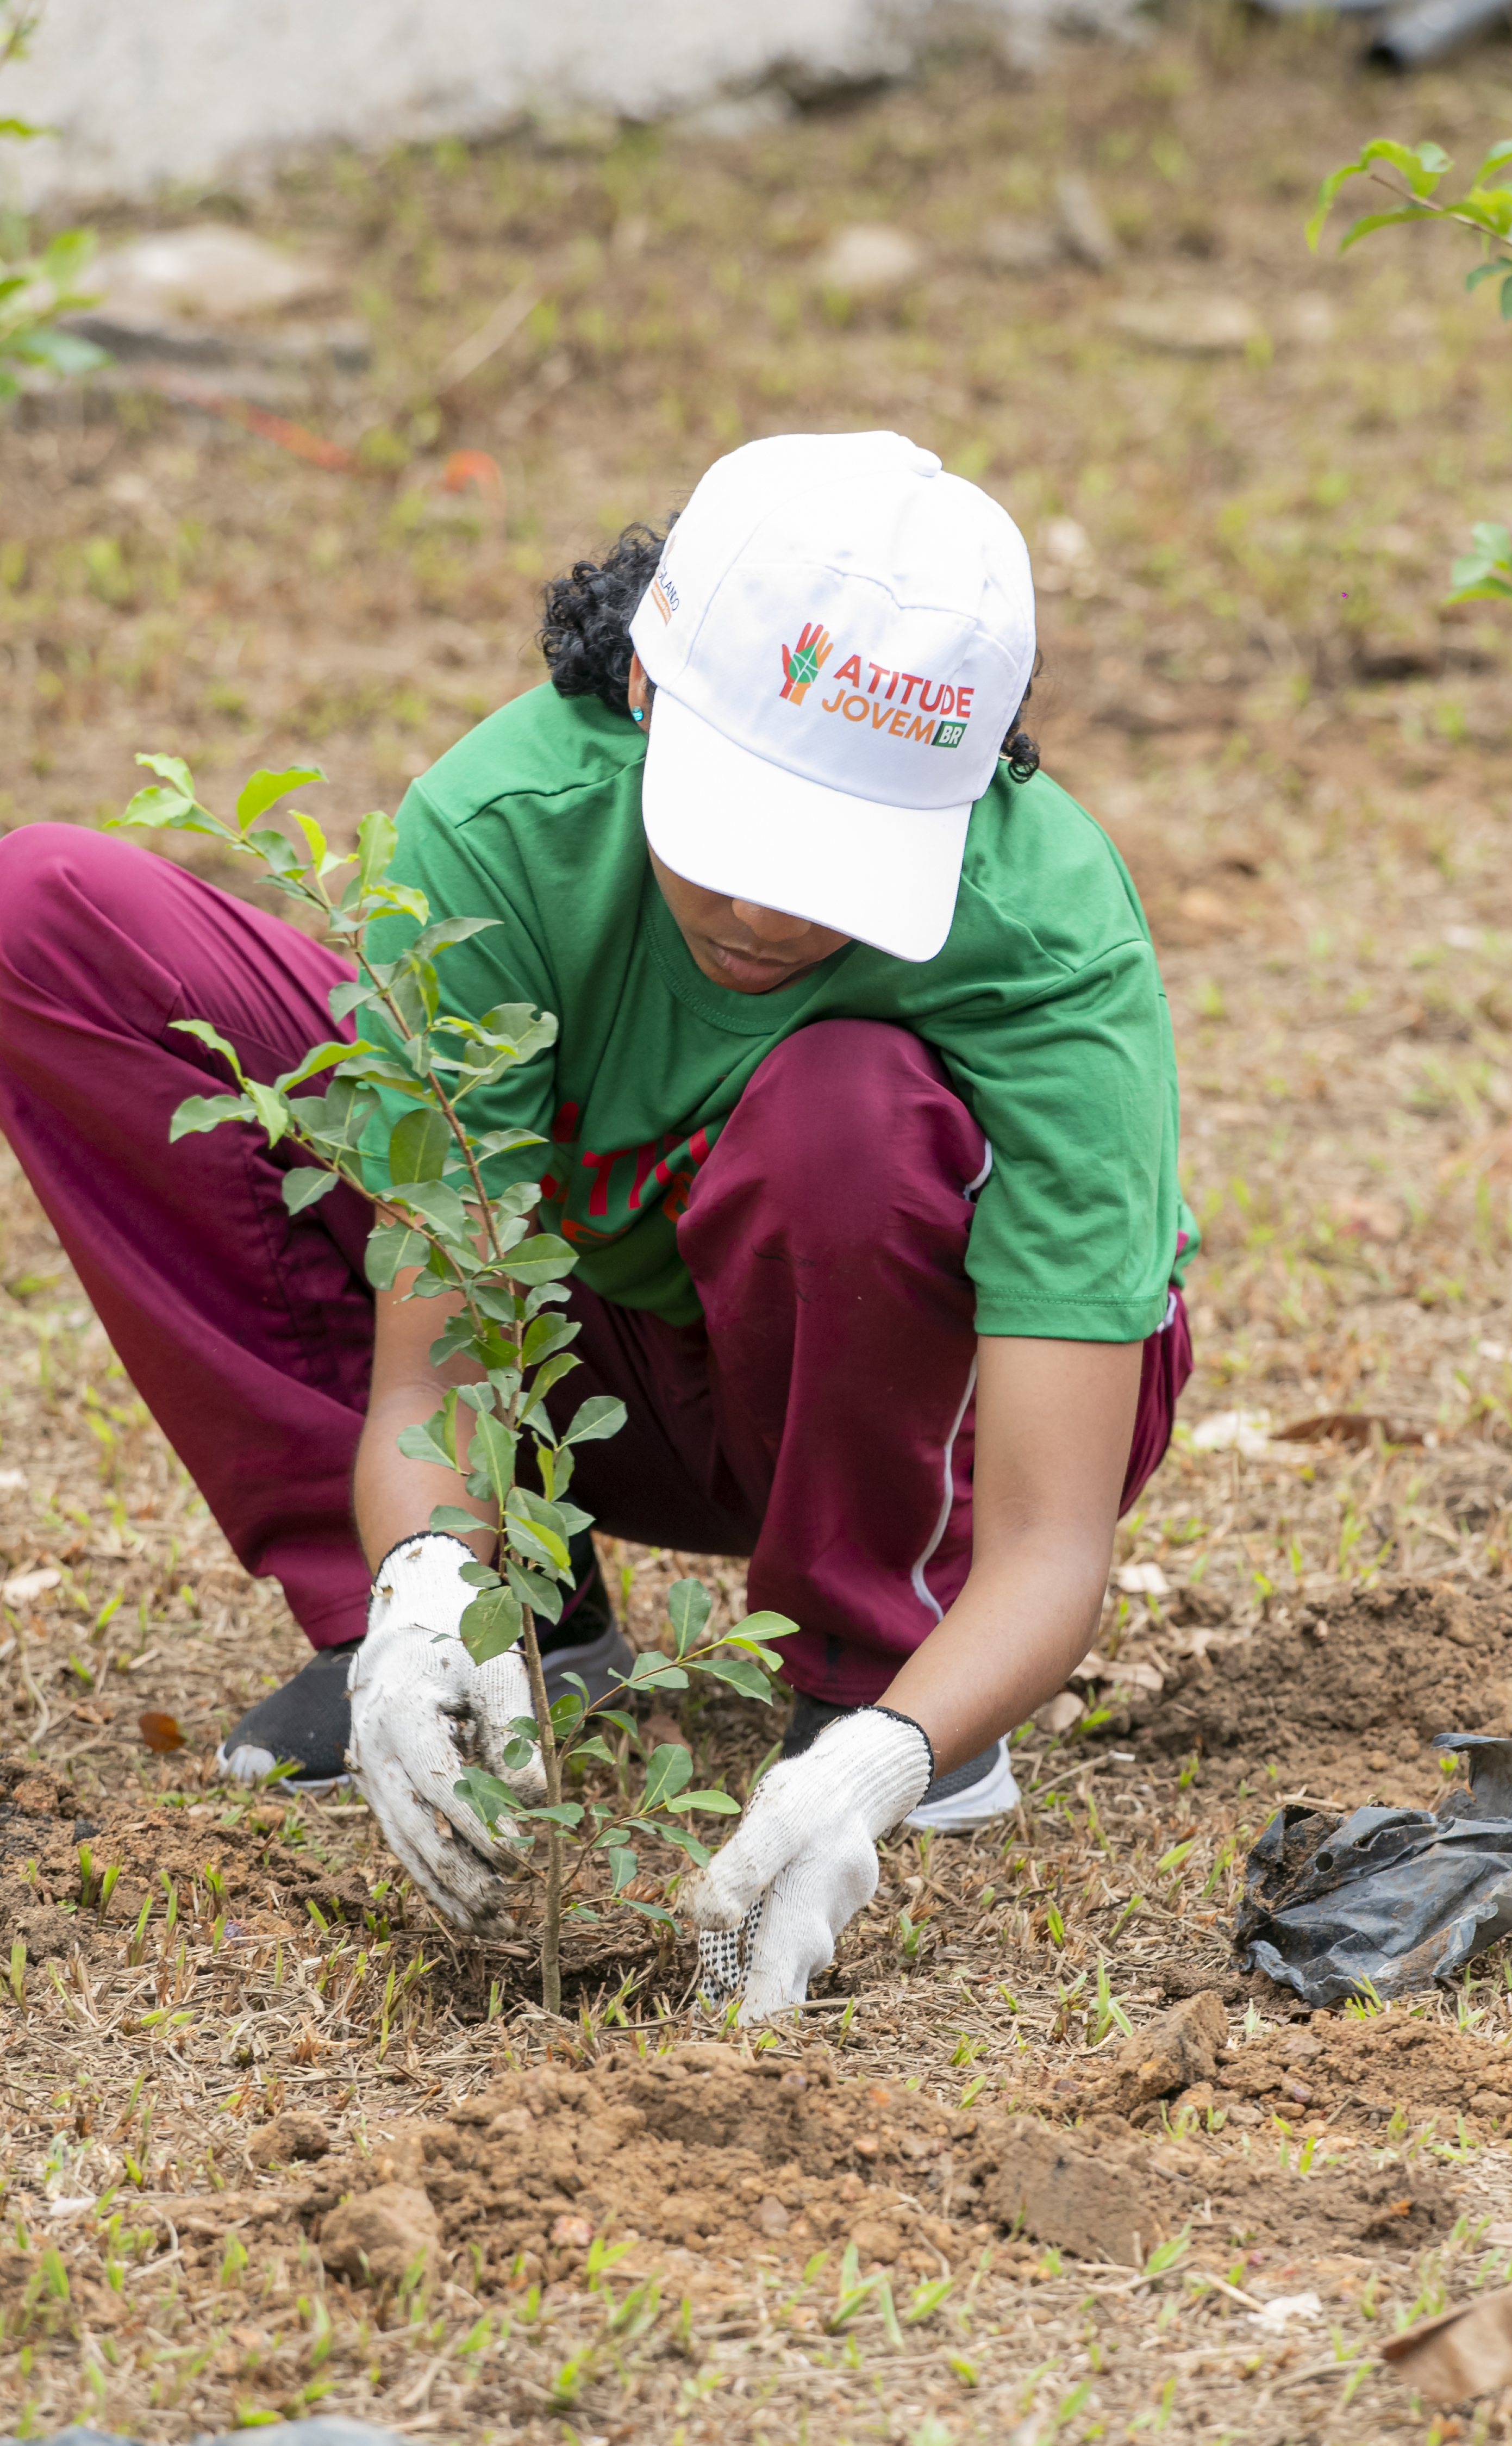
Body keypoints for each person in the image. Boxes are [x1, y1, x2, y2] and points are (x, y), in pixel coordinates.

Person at [0, 429, 1195, 2018]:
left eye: (840, 858)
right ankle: (491, 1637)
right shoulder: (513, 821)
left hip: (931, 1413)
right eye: (744, 831)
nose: (769, 912)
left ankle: (872, 1662)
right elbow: (436, 1371)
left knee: (845, 1113)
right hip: (608, 1360)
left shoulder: (1045, 932)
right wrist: (429, 1580)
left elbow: (1052, 1538)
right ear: (645, 685)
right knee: (49, 917)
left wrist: (889, 1758)